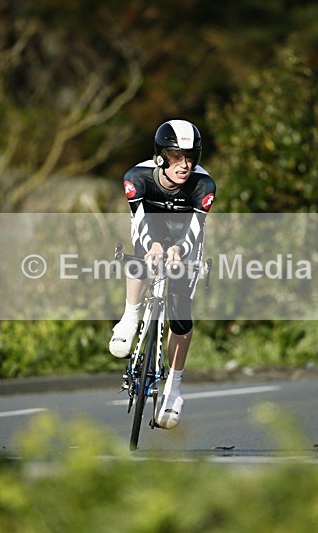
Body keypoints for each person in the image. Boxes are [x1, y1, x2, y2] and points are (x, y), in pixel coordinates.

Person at [109, 119, 216, 429]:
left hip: (185, 238)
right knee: (142, 257)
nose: (185, 165)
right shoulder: (136, 178)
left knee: (181, 316)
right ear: (161, 156)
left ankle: (174, 387)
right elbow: (139, 221)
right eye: (176, 156)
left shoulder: (204, 185)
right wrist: (153, 245)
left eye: (190, 157)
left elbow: (196, 229)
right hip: (151, 229)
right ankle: (130, 316)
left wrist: (179, 251)